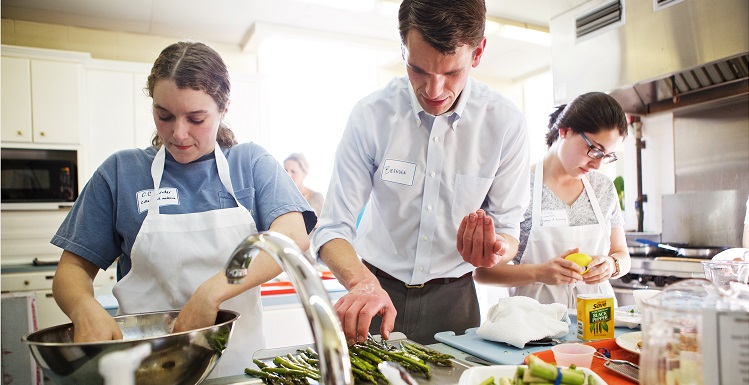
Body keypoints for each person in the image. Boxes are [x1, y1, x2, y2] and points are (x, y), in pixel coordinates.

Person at [50, 41, 316, 377]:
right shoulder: (121, 172)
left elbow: (292, 236)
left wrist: (212, 292)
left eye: (196, 118)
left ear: (224, 109)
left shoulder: (250, 163)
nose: (178, 133)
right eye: (164, 116)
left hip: (235, 367)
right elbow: (72, 268)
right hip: (144, 370)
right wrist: (84, 308)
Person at [313, 0, 530, 345]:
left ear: (478, 53)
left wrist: (495, 249)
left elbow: (508, 229)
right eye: (419, 70)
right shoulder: (372, 115)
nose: (434, 91)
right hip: (373, 294)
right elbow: (331, 227)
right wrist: (361, 282)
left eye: (451, 73)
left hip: (456, 301)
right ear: (403, 49)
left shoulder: (504, 123)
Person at [472, 92, 632, 309]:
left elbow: (622, 254)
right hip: (533, 325)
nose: (597, 165)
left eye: (607, 156)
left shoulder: (603, 187)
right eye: (594, 150)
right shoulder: (517, 186)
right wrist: (539, 273)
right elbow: (482, 273)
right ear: (565, 131)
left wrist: (612, 265)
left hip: (597, 317)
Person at [284, 153, 324, 220]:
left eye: (293, 171)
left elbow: (325, 224)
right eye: (285, 171)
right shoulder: (280, 197)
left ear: (304, 173)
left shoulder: (316, 198)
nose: (288, 175)